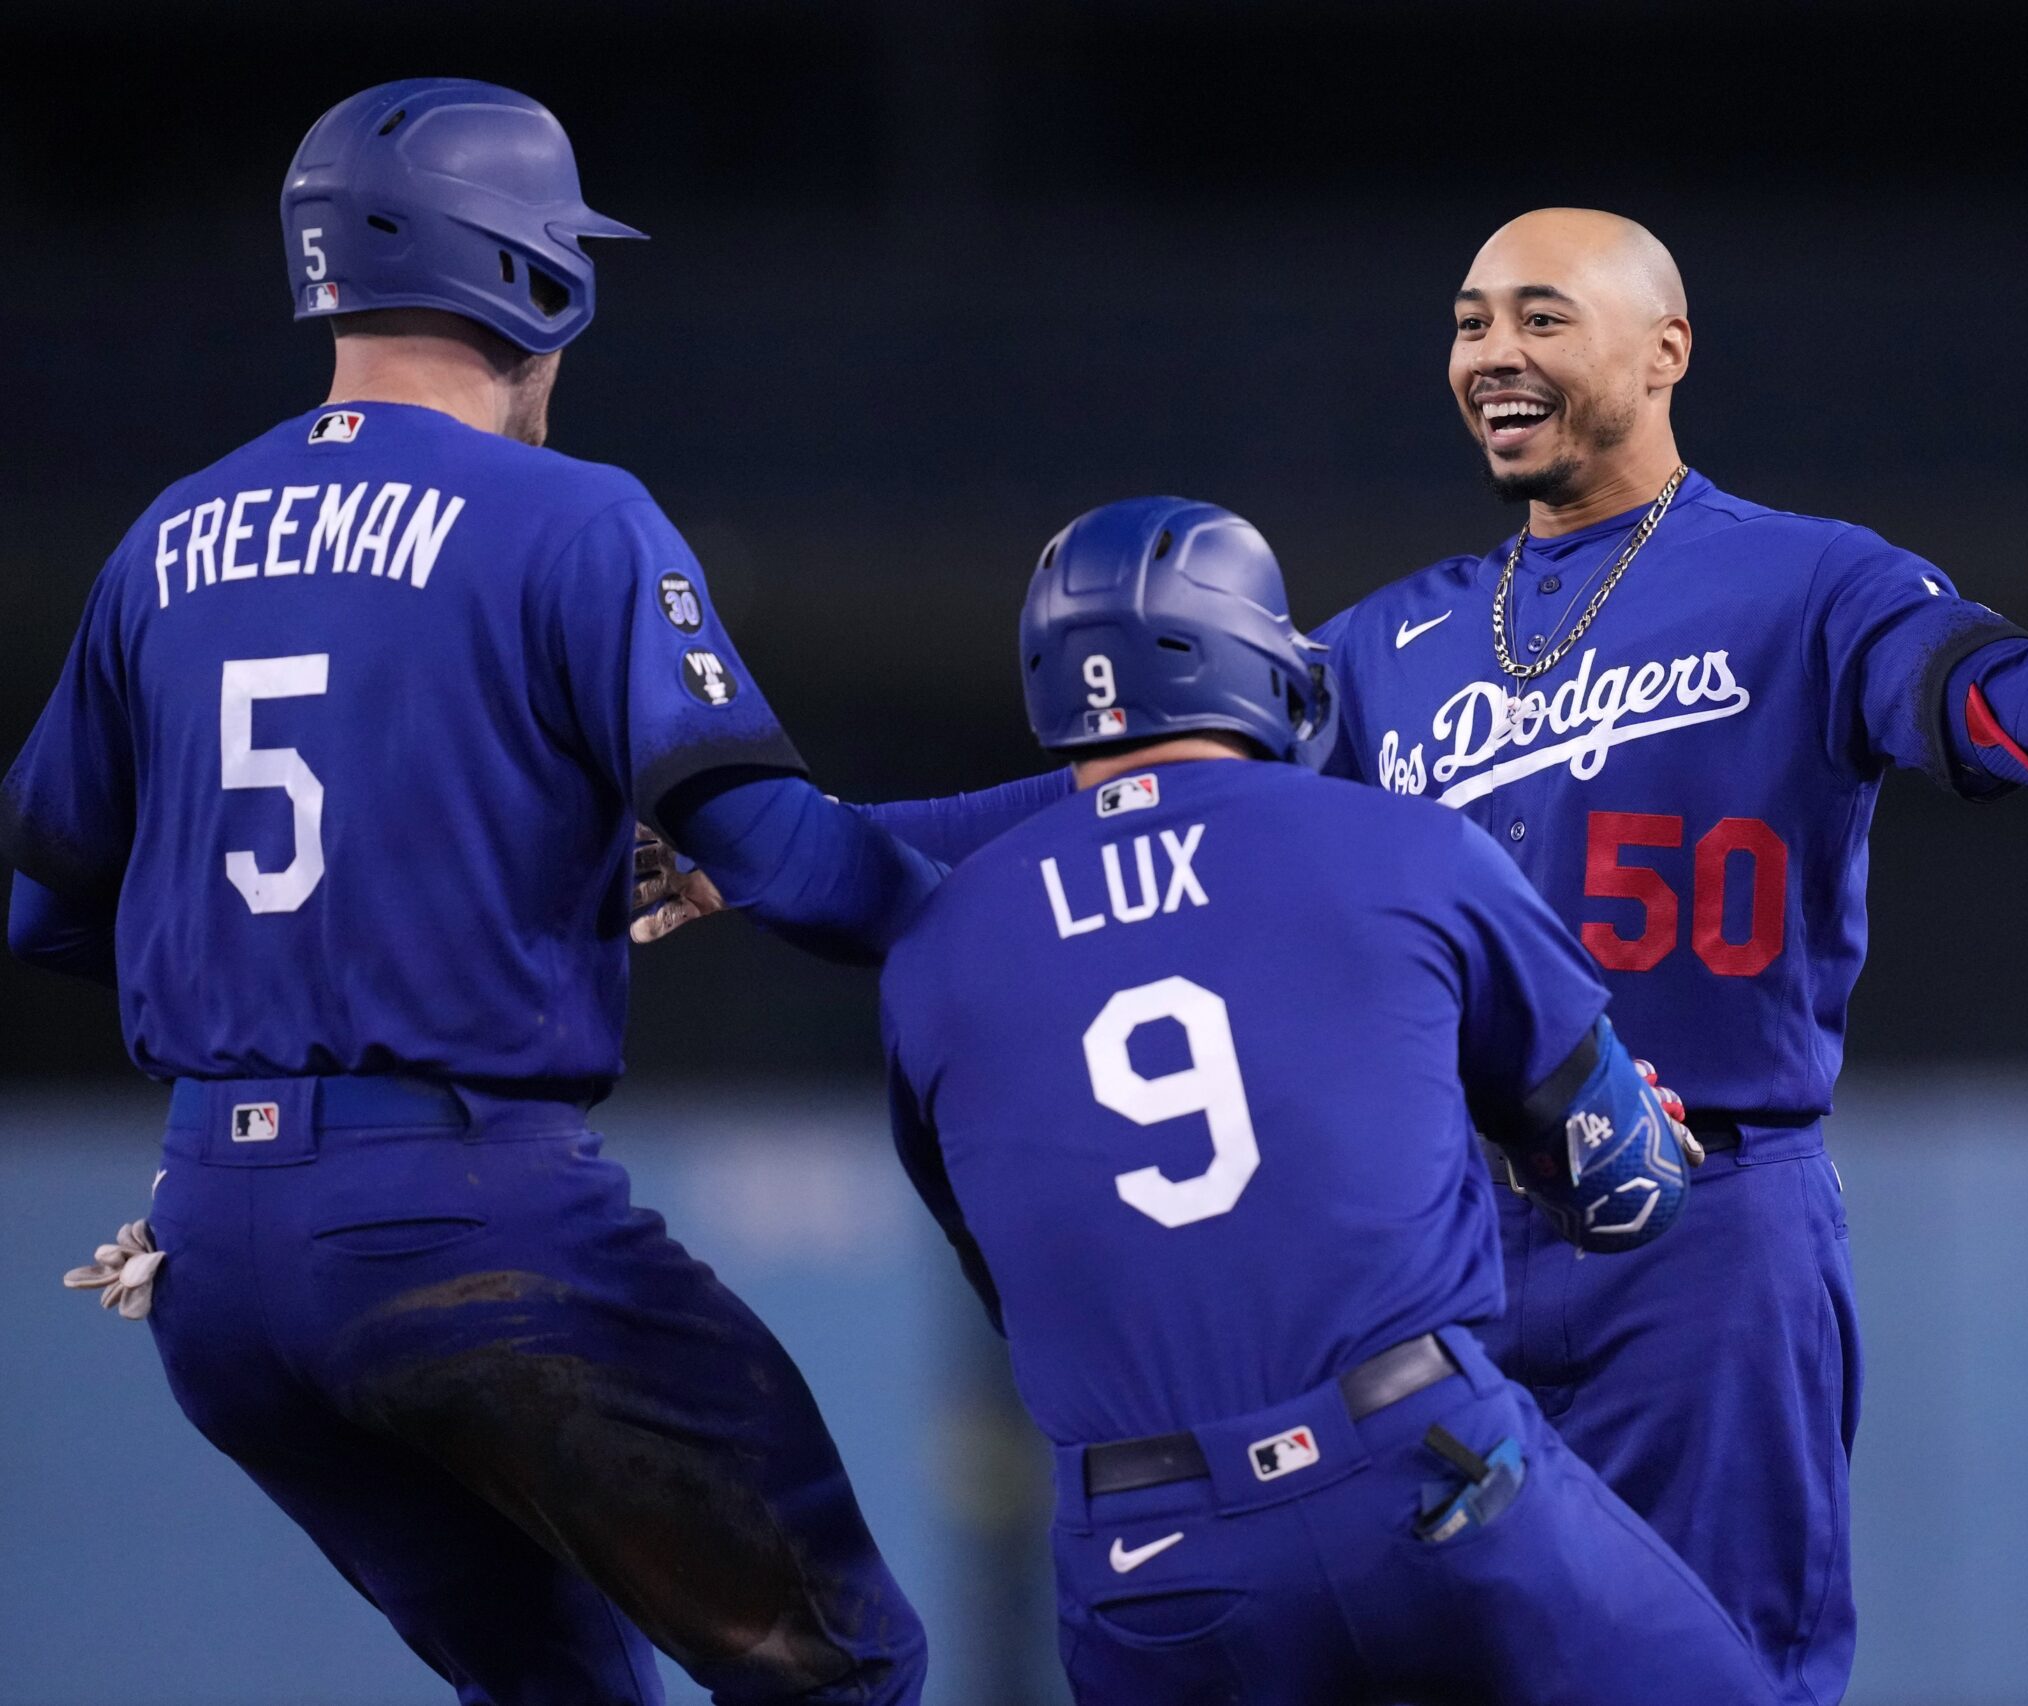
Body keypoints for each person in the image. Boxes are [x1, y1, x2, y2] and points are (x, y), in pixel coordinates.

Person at [1298, 206, 2028, 1704]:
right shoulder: (1384, 647)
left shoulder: (1808, 579)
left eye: (1540, 315)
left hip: (1707, 1230)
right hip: (1446, 1241)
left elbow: (1996, 709)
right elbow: (1171, 824)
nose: (1492, 353)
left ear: (1667, 353)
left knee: (1725, 1674)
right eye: (1469, 321)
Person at [5, 78, 942, 1706]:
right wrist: (1014, 879)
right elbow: (791, 865)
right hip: (460, 1217)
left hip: (207, 1262)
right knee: (841, 1657)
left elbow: (45, 913)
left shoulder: (161, 541)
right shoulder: (576, 517)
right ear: (534, 279)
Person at [877, 496, 1779, 1705]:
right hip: (1418, 1471)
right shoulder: (1406, 844)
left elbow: (1008, 1276)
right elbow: (1623, 1189)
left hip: (1145, 1561)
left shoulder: (936, 948)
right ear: (1255, 660)